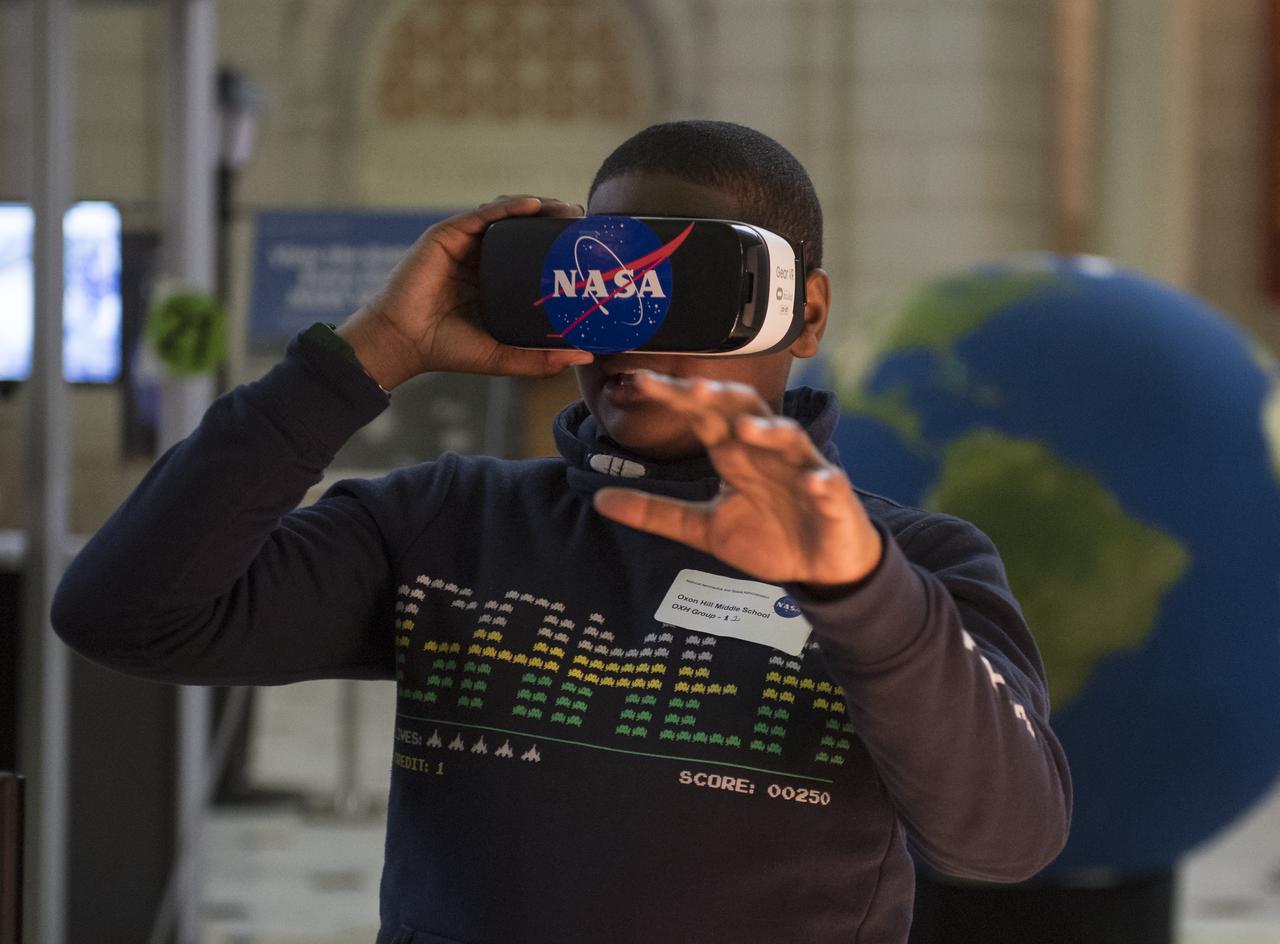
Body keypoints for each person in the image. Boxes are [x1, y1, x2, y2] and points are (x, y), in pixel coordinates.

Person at [53, 120, 1071, 943]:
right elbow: (126, 613)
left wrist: (860, 593)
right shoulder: (448, 522)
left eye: (686, 286)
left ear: (800, 318)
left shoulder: (914, 565)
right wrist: (364, 356)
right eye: (608, 280)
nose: (632, 325)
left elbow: (1003, 837)